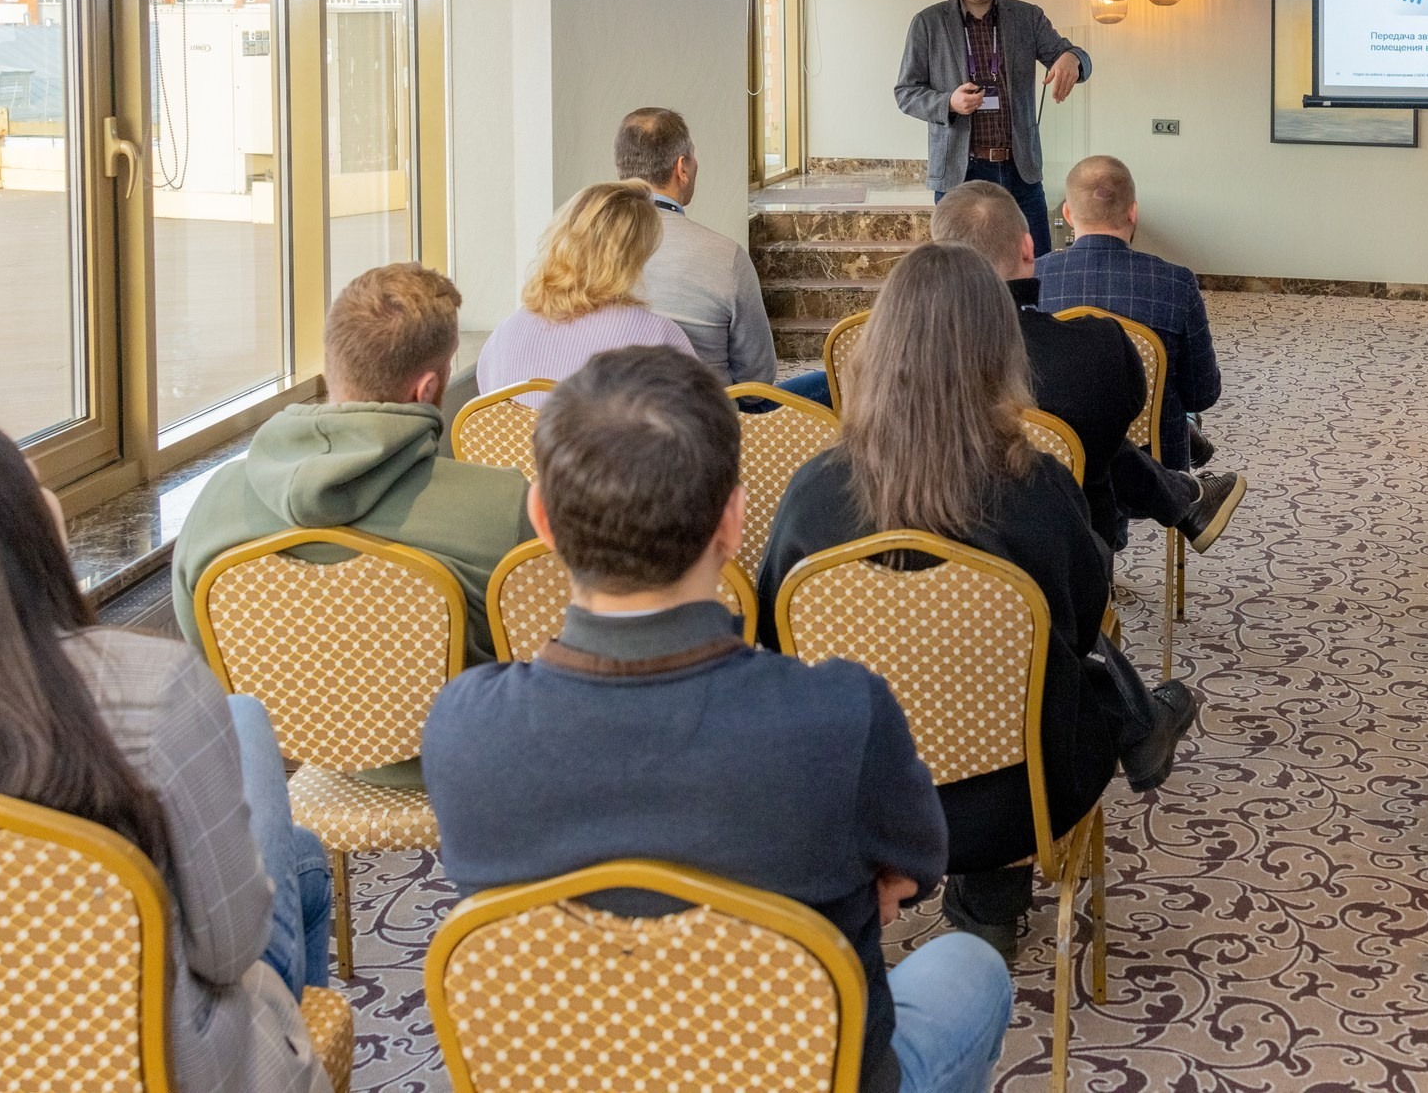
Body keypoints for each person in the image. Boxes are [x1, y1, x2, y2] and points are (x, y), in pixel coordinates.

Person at [422, 347, 1010, 1093]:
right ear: (733, 519)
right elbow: (917, 865)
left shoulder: (462, 730)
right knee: (970, 966)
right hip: (801, 1071)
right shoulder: (837, 716)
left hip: (573, 1071)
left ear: (542, 518)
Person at [0, 419, 337, 1093]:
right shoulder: (154, 690)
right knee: (274, 799)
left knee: (299, 845)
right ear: (23, 539)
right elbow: (229, 951)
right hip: (158, 1070)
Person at [758, 243, 1198, 961]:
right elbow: (1083, 623)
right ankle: (993, 892)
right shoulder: (1041, 488)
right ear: (1002, 354)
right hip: (1016, 803)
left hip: (853, 798)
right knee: (1061, 669)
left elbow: (779, 642)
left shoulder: (811, 494)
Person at [173, 263, 533, 698]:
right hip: (464, 757)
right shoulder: (504, 506)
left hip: (301, 755)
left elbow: (210, 657)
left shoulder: (215, 504)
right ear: (427, 388)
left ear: (334, 364)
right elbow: (540, 648)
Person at [930, 181, 1244, 555]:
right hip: (1068, 562)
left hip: (917, 570)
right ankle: (1183, 495)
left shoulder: (883, 359)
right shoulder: (1094, 346)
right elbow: (1144, 411)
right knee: (1089, 434)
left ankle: (1183, 495)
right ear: (1028, 248)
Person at [894, 0, 1090, 255]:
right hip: (960, 171)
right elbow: (906, 92)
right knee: (960, 272)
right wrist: (949, 102)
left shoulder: (1027, 18)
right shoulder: (928, 23)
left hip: (1020, 170)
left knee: (1035, 265)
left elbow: (1076, 57)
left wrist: (1072, 58)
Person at [1036, 156, 1220, 467]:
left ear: (1067, 213)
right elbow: (1202, 394)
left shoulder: (1033, 280)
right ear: (1133, 212)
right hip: (1156, 464)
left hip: (1058, 462)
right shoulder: (1176, 283)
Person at [613, 106, 785, 390]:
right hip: (708, 421)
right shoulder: (726, 256)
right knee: (829, 384)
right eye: (693, 157)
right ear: (682, 168)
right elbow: (757, 380)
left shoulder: (583, 251)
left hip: (609, 415)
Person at [473, 181, 697, 395]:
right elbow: (705, 423)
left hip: (527, 436)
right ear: (635, 257)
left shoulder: (505, 336)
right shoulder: (658, 338)